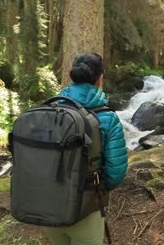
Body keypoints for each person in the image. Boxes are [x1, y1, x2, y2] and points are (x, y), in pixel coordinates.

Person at [43, 53, 128, 245]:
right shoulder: (107, 118)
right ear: (100, 78)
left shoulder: (50, 109)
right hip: (86, 206)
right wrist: (98, 188)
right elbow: (116, 172)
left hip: (48, 201)